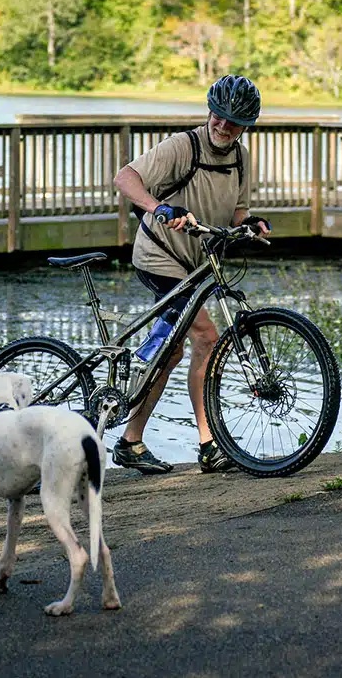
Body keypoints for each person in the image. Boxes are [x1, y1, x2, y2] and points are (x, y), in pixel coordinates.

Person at [110, 74, 271, 474]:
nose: (222, 125)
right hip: (159, 254)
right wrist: (157, 208)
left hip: (197, 264)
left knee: (174, 349)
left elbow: (237, 210)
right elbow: (125, 178)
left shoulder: (240, 157)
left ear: (246, 126)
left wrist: (250, 223)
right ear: (209, 111)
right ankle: (209, 443)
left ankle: (130, 441)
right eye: (218, 115)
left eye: (233, 122)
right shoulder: (184, 146)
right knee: (207, 337)